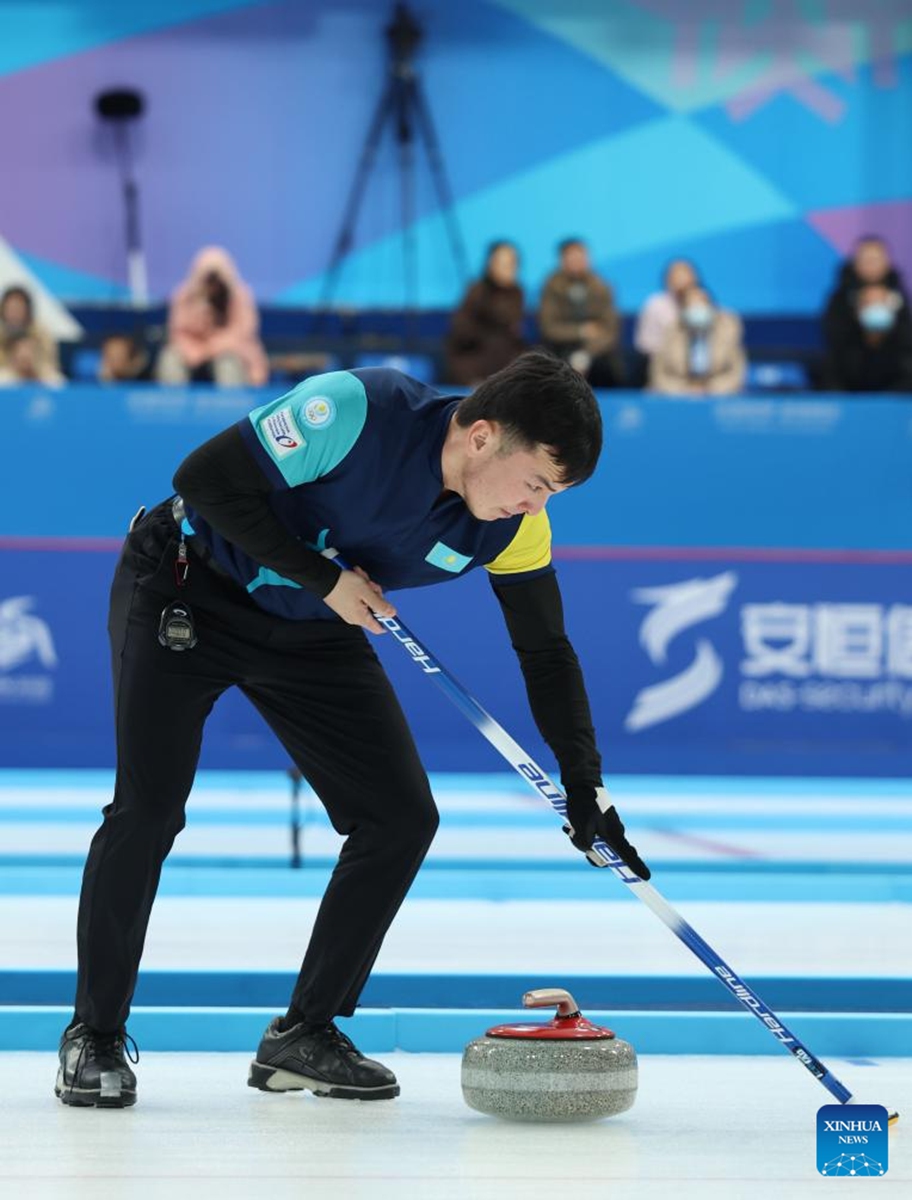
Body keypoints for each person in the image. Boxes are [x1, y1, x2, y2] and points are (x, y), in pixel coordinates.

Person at [55, 352, 650, 1109]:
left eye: (554, 494)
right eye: (536, 483)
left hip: (313, 625)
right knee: (148, 810)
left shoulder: (514, 531)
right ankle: (94, 1037)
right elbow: (204, 479)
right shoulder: (356, 410)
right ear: (481, 438)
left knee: (399, 819)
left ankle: (305, 1034)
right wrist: (326, 577)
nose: (537, 507)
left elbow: (545, 652)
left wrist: (583, 783)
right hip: (186, 586)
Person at [157, 246, 269, 387]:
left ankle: (231, 406)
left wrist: (212, 348)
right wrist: (194, 349)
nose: (213, 285)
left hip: (232, 352)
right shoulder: (184, 295)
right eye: (208, 279)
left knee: (227, 363)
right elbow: (178, 332)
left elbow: (243, 334)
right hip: (193, 354)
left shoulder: (240, 297)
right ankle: (173, 404)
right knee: (170, 359)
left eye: (217, 279)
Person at [538, 239, 624, 387]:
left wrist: (587, 353)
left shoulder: (601, 286)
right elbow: (549, 328)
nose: (577, 262)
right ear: (562, 260)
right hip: (560, 348)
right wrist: (581, 331)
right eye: (571, 257)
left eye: (581, 257)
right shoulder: (551, 286)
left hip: (596, 350)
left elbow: (610, 330)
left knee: (612, 367)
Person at [445, 240, 526, 385]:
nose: (510, 269)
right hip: (474, 365)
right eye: (504, 264)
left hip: (505, 367)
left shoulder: (517, 293)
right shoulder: (477, 291)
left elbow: (514, 334)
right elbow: (461, 335)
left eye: (513, 264)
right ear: (491, 265)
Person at [649, 284, 746, 396]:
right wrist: (682, 390)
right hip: (678, 396)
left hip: (719, 396)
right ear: (683, 309)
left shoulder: (728, 330)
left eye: (702, 303)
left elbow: (737, 372)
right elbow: (658, 373)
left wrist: (711, 389)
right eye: (691, 304)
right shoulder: (671, 330)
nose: (697, 308)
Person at [821, 283, 912, 393]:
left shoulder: (905, 351)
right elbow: (832, 385)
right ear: (856, 310)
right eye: (869, 303)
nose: (876, 308)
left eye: (881, 303)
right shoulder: (841, 349)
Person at [0, 285, 61, 381]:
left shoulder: (41, 334)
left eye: (18, 308)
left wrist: (30, 364)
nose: (14, 313)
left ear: (27, 310)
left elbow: (51, 363)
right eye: (11, 308)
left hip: (37, 375)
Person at [0, 331, 65, 386]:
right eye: (23, 359)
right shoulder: (3, 380)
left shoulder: (51, 378)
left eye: (30, 350)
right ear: (13, 356)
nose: (27, 355)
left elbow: (64, 394)